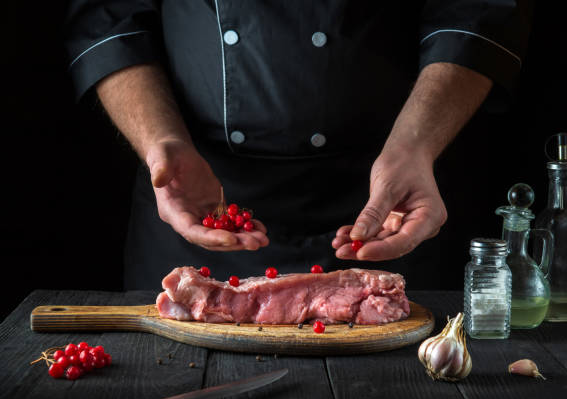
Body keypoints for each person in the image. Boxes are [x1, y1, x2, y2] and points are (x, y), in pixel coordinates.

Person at [64, 1, 531, 290]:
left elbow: (476, 10)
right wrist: (160, 142)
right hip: (198, 200)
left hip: (385, 198)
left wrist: (415, 146)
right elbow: (110, 15)